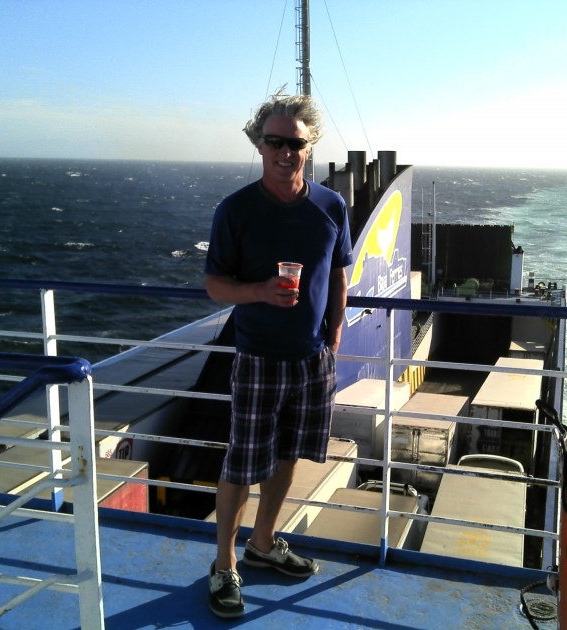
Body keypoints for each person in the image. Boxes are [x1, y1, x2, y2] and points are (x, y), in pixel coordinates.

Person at [203, 91, 353, 619]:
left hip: (312, 359)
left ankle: (263, 543)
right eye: (275, 141)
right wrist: (260, 292)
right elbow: (215, 285)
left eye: (295, 142)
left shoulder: (331, 206)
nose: (285, 151)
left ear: (310, 147)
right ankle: (224, 566)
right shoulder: (236, 210)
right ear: (259, 144)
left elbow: (338, 271)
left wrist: (334, 332)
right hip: (259, 357)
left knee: (288, 457)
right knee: (242, 464)